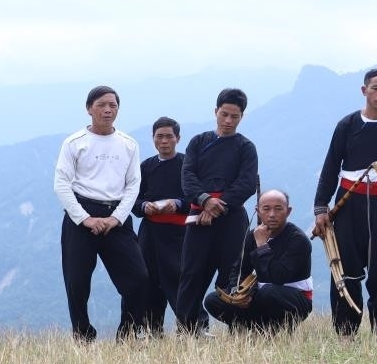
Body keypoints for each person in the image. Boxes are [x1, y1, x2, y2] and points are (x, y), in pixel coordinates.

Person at [312, 69, 377, 336]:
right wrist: (321, 207)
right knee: (346, 268)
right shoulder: (347, 125)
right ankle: (346, 331)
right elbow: (331, 165)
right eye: (376, 88)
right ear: (364, 90)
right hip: (348, 206)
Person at [53, 85, 148, 342]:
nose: (108, 110)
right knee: (77, 281)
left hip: (116, 216)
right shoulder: (74, 143)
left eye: (113, 105)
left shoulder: (128, 144)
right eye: (101, 105)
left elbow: (133, 185)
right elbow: (61, 184)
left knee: (138, 278)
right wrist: (85, 218)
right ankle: (83, 336)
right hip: (80, 216)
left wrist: (115, 218)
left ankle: (128, 335)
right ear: (89, 109)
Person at [174, 88, 259, 334]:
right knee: (191, 273)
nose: (228, 121)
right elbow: (187, 177)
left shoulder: (246, 147)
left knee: (232, 273)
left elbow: (246, 184)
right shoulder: (199, 142)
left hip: (232, 219)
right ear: (215, 112)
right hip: (198, 218)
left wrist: (215, 207)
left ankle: (238, 328)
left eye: (235, 116)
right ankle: (187, 328)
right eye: (224, 114)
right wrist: (204, 200)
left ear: (242, 116)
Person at [204, 189, 313, 334]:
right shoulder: (252, 236)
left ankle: (278, 328)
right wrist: (237, 293)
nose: (272, 214)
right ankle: (254, 328)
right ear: (258, 211)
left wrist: (262, 245)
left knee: (269, 292)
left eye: (278, 209)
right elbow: (239, 270)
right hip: (262, 294)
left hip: (293, 298)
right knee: (212, 300)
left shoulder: (298, 239)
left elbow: (278, 277)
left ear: (288, 211)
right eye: (266, 209)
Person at [130, 117, 188, 336]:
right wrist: (144, 206)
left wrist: (178, 204)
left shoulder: (187, 164)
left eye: (169, 136)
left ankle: (191, 328)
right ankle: (152, 329)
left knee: (180, 278)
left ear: (178, 138)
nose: (164, 141)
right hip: (150, 234)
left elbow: (196, 197)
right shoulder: (146, 167)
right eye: (159, 136)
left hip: (180, 233)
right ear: (153, 139)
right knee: (149, 279)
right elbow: (132, 200)